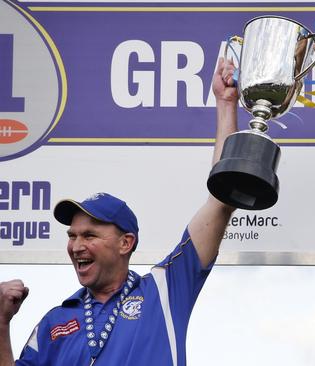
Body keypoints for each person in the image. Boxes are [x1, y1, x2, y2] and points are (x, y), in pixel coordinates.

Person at [0, 57, 241, 366]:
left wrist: (225, 104)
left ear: (125, 243)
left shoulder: (164, 290)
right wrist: (2, 321)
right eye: (72, 236)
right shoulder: (52, 324)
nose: (76, 246)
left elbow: (220, 200)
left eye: (89, 235)